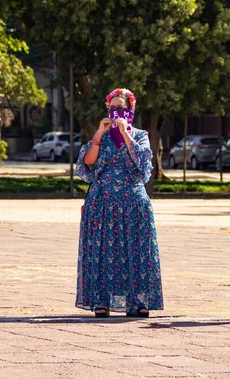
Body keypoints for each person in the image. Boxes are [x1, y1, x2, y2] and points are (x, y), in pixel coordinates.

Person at [76, 88, 164, 318]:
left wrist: (126, 135)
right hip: (102, 202)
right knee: (103, 253)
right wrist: (98, 135)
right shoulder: (101, 135)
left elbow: (144, 167)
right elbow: (87, 164)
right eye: (113, 108)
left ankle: (138, 302)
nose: (117, 113)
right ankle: (101, 301)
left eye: (121, 109)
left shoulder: (140, 135)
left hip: (133, 202)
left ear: (130, 111)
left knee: (137, 252)